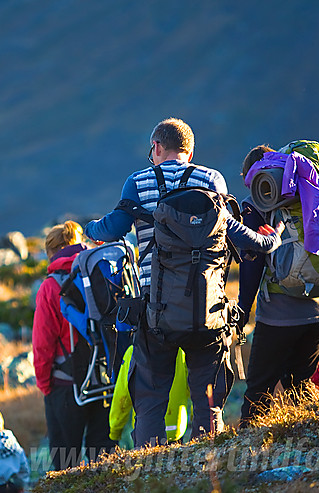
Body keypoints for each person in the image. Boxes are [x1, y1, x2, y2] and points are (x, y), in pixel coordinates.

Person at [85, 118, 283, 446]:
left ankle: (150, 470)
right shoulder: (212, 179)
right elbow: (239, 234)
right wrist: (271, 239)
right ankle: (209, 467)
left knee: (149, 400)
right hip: (209, 309)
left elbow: (112, 229)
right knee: (209, 403)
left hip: (156, 311)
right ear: (189, 152)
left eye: (152, 150)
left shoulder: (138, 182)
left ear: (158, 147)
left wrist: (90, 230)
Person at [238, 144, 319, 425]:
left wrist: (243, 309)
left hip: (279, 316)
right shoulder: (314, 190)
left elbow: (252, 261)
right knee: (300, 391)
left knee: (259, 393)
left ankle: (242, 460)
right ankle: (310, 449)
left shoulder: (259, 202)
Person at [32, 220, 116, 470]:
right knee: (103, 455)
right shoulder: (101, 271)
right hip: (105, 378)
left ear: (52, 253)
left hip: (66, 383)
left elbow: (42, 343)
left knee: (65, 459)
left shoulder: (50, 287)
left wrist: (45, 385)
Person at [109, 346, 190, 447]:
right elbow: (192, 389)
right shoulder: (180, 352)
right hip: (176, 429)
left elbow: (123, 396)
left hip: (145, 432)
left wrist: (115, 430)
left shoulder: (133, 351)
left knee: (148, 460)